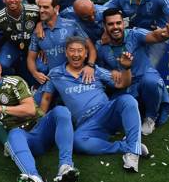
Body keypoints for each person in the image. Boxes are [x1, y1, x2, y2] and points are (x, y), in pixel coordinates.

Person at [0, 53, 77, 182]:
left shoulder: (14, 82)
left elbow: (30, 110)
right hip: (24, 139)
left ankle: (66, 166)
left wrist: (1, 108)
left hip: (40, 127)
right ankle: (34, 179)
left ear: (0, 70)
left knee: (61, 111)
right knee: (14, 133)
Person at [39, 37, 148, 173]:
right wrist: (39, 121)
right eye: (72, 50)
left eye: (80, 51)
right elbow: (46, 99)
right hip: (86, 124)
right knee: (78, 142)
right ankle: (126, 146)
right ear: (66, 53)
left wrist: (126, 68)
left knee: (128, 100)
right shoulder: (55, 74)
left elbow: (122, 84)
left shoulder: (95, 70)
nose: (76, 54)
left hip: (106, 112)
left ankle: (133, 152)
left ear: (85, 54)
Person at [96, 9, 169, 136]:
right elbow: (100, 68)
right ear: (104, 26)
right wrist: (111, 72)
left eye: (118, 23)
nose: (115, 27)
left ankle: (150, 118)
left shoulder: (135, 34)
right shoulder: (101, 46)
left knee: (151, 82)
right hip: (124, 85)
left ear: (123, 23)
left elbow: (155, 36)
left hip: (144, 77)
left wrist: (166, 34)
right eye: (111, 24)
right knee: (111, 118)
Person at [27, 0, 96, 86]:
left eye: (46, 7)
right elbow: (31, 58)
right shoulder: (37, 32)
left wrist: (90, 66)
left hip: (75, 79)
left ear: (56, 8)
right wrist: (35, 73)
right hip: (52, 81)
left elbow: (91, 48)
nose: (41, 10)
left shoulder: (71, 25)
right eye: (40, 7)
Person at [0, 0, 39, 80]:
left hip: (33, 46)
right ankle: (13, 82)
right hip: (12, 45)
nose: (12, 0)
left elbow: (47, 22)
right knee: (2, 65)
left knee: (42, 67)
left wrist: (40, 25)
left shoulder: (35, 11)